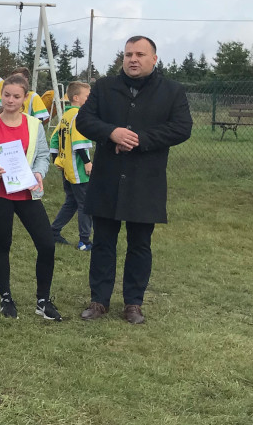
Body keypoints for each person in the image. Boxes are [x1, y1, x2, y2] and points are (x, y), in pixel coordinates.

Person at [76, 36, 192, 324]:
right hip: (107, 178)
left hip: (145, 180)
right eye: (128, 54)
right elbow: (84, 120)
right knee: (103, 242)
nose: (133, 59)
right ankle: (99, 300)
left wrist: (140, 139)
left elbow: (182, 128)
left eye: (140, 54)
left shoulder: (172, 91)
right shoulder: (104, 87)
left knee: (140, 244)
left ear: (154, 58)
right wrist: (111, 133)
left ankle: (133, 303)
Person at [0, 74, 62, 321]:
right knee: (3, 244)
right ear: (1, 96)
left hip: (28, 194)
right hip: (0, 195)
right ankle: (5, 297)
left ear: (25, 98)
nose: (10, 100)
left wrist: (39, 172)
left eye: (16, 96)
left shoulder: (34, 125)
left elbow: (41, 156)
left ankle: (43, 300)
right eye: (6, 95)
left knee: (47, 244)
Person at [49, 80, 94, 249]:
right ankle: (84, 241)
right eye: (87, 96)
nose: (90, 99)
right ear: (76, 98)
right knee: (85, 203)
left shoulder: (66, 116)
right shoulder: (79, 115)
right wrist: (87, 162)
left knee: (72, 201)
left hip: (66, 166)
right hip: (77, 167)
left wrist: (56, 159)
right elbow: (79, 141)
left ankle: (53, 231)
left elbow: (54, 138)